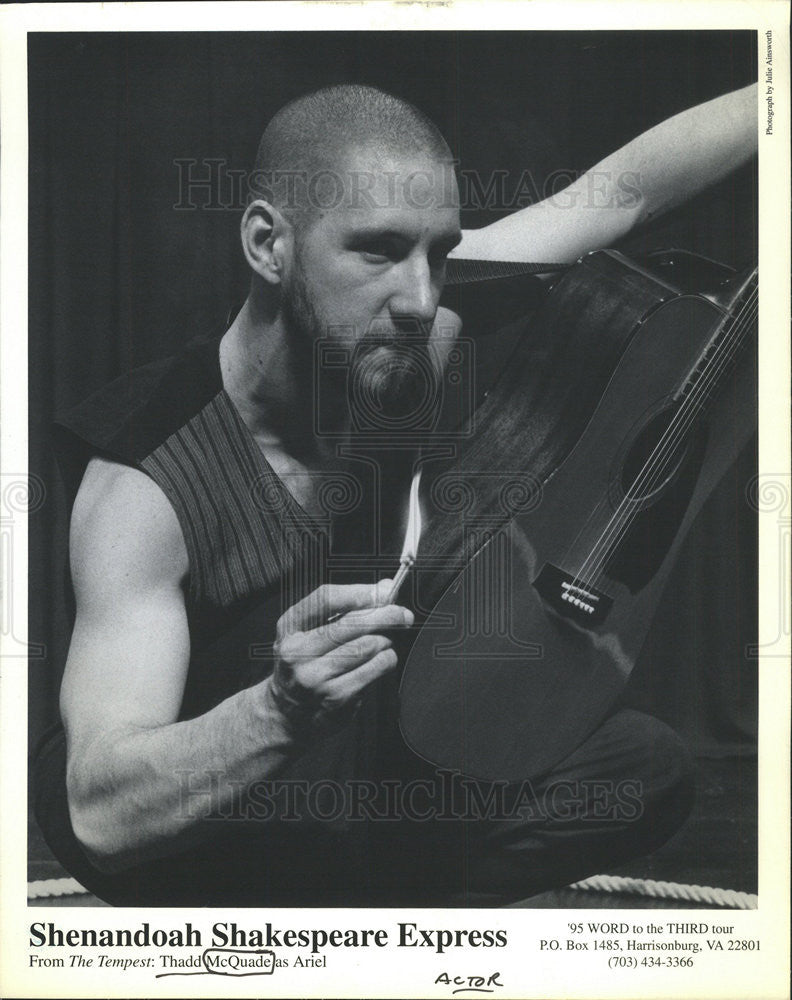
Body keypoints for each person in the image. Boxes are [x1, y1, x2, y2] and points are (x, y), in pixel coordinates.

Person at [34, 82, 757, 906]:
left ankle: (350, 911)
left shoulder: (410, 310)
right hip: (207, 826)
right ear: (270, 244)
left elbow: (626, 192)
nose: (420, 298)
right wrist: (275, 712)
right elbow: (100, 809)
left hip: (370, 788)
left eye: (440, 252)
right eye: (377, 250)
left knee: (645, 769)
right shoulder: (148, 479)